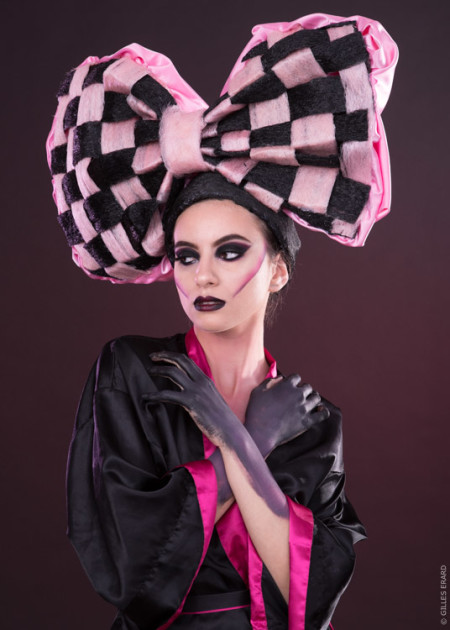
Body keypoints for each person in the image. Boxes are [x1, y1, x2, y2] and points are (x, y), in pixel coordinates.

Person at [47, 13, 398, 630]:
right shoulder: (133, 373)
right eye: (187, 256)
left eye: (230, 252)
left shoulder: (313, 422)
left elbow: (311, 594)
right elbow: (128, 564)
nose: (203, 276)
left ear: (278, 270)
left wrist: (234, 440)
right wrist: (252, 440)